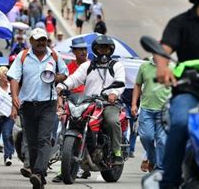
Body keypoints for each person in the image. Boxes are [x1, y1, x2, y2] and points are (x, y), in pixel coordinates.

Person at [154, 0, 199, 189]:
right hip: (190, 89)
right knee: (180, 122)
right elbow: (161, 49)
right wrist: (163, 68)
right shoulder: (180, 23)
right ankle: (169, 181)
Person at [7, 28, 68, 189]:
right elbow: (14, 77)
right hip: (27, 105)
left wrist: (55, 77)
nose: (41, 43)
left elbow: (65, 73)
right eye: (38, 40)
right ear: (31, 41)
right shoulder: (23, 56)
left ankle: (39, 172)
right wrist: (14, 96)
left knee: (44, 139)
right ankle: (38, 176)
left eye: (43, 39)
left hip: (48, 104)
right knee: (32, 142)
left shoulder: (54, 55)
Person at [57, 35, 126, 166]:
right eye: (100, 49)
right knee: (72, 121)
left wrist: (114, 93)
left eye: (106, 49)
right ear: (95, 49)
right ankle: (65, 164)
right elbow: (74, 78)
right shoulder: (87, 66)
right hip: (88, 103)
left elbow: (120, 82)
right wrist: (62, 86)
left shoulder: (117, 66)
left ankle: (117, 152)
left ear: (111, 50)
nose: (103, 52)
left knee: (111, 120)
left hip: (108, 104)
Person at [52, 37, 90, 183]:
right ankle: (64, 171)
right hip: (72, 104)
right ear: (73, 51)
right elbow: (61, 88)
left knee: (89, 133)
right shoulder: (69, 69)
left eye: (85, 49)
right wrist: (60, 106)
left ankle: (84, 167)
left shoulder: (91, 66)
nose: (83, 52)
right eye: (79, 49)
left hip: (88, 104)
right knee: (64, 136)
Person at [131, 58, 170, 172]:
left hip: (164, 110)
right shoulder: (144, 66)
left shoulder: (172, 67)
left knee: (162, 140)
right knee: (146, 137)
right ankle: (152, 160)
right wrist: (134, 104)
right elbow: (138, 85)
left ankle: (159, 168)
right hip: (146, 109)